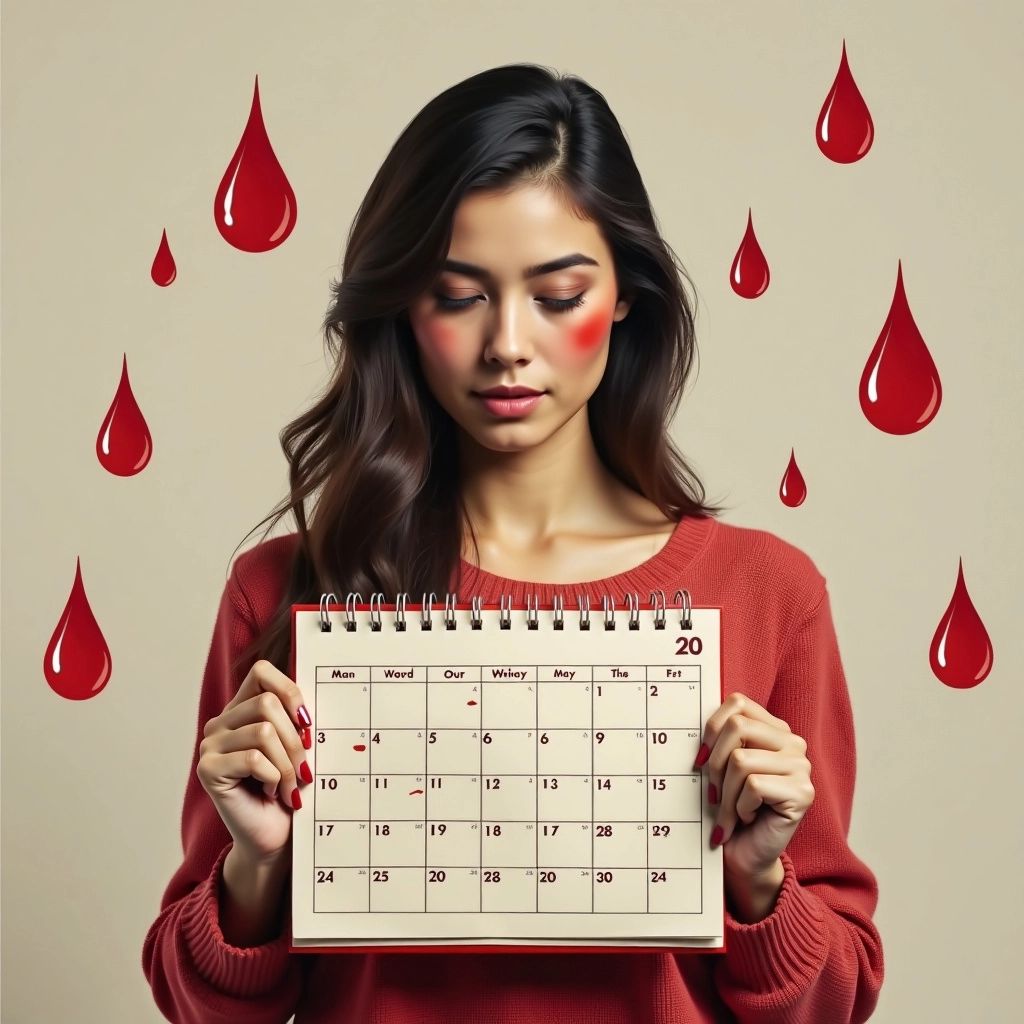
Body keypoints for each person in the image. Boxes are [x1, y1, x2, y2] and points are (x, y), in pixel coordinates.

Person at [142, 62, 884, 1023]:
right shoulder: (286, 587)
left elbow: (836, 1000)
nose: (507, 344)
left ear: (624, 295)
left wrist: (757, 878)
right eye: (457, 295)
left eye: (558, 293)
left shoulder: (768, 591)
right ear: (403, 309)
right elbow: (201, 1005)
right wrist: (255, 863)